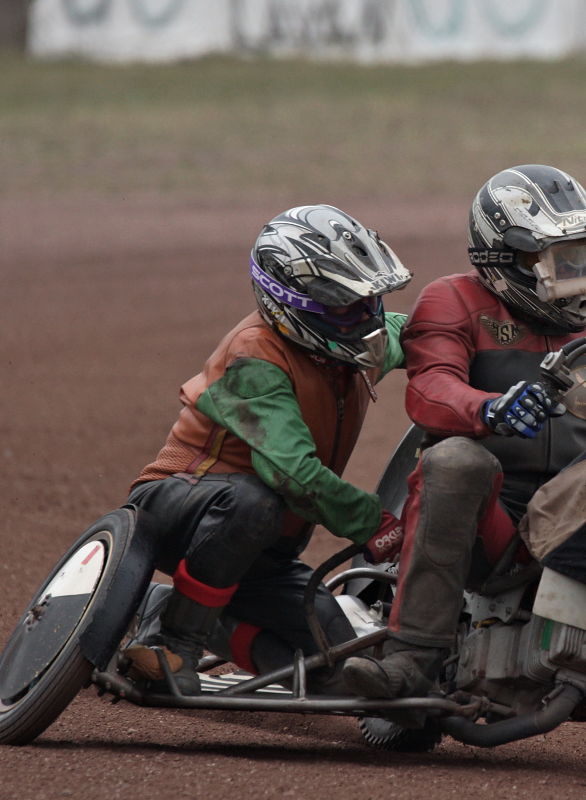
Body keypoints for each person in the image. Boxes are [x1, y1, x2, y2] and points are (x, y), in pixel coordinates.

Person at [341, 165, 586, 699]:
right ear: (505, 260)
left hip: (578, 511)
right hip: (495, 519)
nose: (577, 271)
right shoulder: (451, 300)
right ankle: (410, 660)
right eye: (555, 257)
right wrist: (491, 409)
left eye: (583, 252)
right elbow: (430, 388)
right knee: (456, 459)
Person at [121, 204, 412, 694]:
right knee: (257, 502)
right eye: (344, 303)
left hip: (265, 551)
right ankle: (174, 643)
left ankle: (167, 608)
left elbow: (433, 332)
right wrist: (376, 522)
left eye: (368, 299)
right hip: (177, 511)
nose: (364, 316)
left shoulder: (356, 342)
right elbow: (291, 474)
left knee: (337, 668)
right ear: (291, 301)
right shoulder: (254, 355)